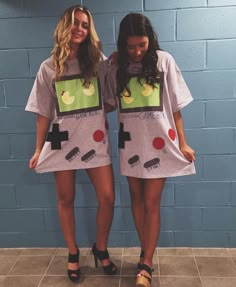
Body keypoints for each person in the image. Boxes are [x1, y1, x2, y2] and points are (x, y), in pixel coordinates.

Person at [25, 5, 117, 283]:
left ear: (90, 31)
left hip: (94, 142)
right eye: (75, 23)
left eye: (85, 24)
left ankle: (100, 247)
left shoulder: (98, 62)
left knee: (108, 197)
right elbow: (43, 112)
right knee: (65, 199)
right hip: (61, 144)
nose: (80, 28)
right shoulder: (48, 67)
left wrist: (114, 66)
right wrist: (39, 149)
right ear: (64, 26)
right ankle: (73, 252)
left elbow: (110, 102)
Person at [104, 13, 196, 287]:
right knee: (135, 197)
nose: (136, 51)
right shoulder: (117, 66)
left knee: (151, 202)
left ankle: (146, 264)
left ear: (150, 40)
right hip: (130, 142)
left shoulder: (163, 60)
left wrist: (183, 141)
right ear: (123, 43)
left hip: (160, 142)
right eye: (130, 46)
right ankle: (147, 251)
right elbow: (109, 103)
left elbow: (176, 107)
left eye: (141, 45)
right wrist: (107, 64)